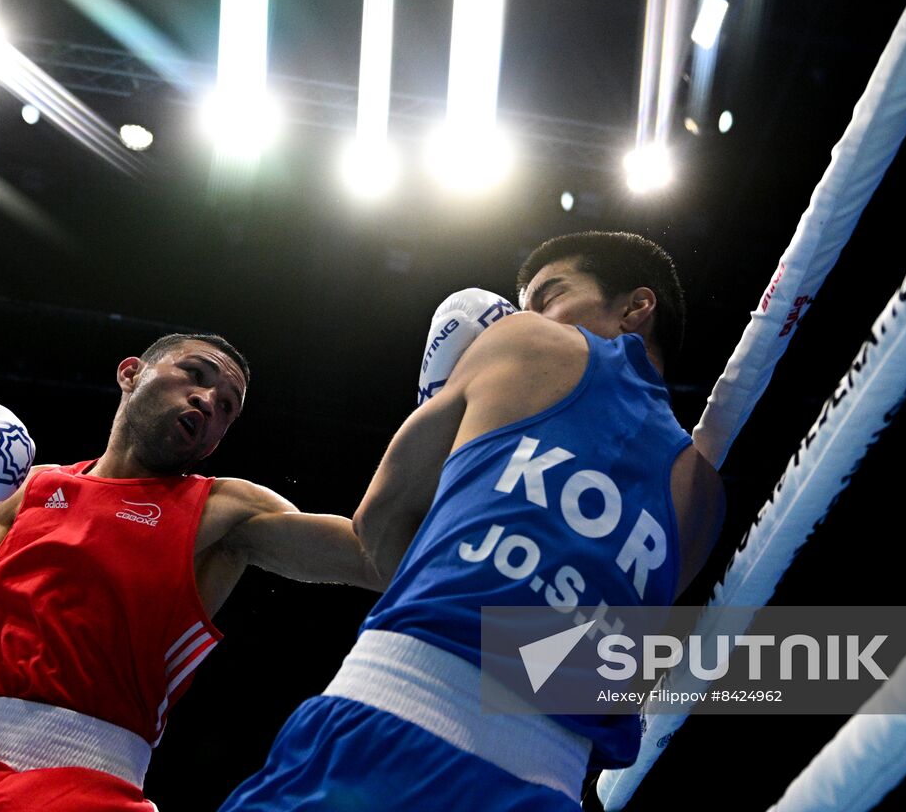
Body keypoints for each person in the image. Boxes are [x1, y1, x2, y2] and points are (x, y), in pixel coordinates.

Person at [220, 231, 727, 810]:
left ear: (636, 306)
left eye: (549, 296)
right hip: (547, 787)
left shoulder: (526, 340)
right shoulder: (704, 500)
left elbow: (379, 530)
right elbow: (589, 664)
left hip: (391, 728)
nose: (524, 315)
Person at [0, 332, 382, 812]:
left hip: (83, 791)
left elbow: (369, 554)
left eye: (229, 407)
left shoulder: (223, 512)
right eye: (195, 374)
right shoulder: (28, 492)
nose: (210, 401)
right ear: (130, 374)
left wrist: (452, 423)